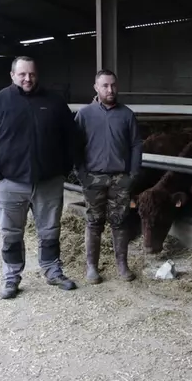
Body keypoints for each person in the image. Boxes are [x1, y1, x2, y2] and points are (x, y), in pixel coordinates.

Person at [0, 56, 78, 299]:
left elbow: (71, 138)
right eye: (22, 74)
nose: (27, 78)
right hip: (9, 182)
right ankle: (11, 277)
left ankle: (52, 270)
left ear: (37, 74)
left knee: (50, 229)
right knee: (10, 233)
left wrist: (63, 169)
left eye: (31, 74)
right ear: (12, 75)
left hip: (49, 181)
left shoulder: (54, 102)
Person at [74, 69, 142, 284]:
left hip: (120, 177)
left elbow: (136, 145)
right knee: (94, 222)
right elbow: (75, 146)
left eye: (113, 85)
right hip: (93, 178)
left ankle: (122, 264)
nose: (110, 89)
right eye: (105, 85)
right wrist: (82, 174)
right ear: (96, 88)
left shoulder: (127, 114)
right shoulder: (84, 115)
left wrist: (133, 173)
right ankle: (92, 267)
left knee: (120, 222)